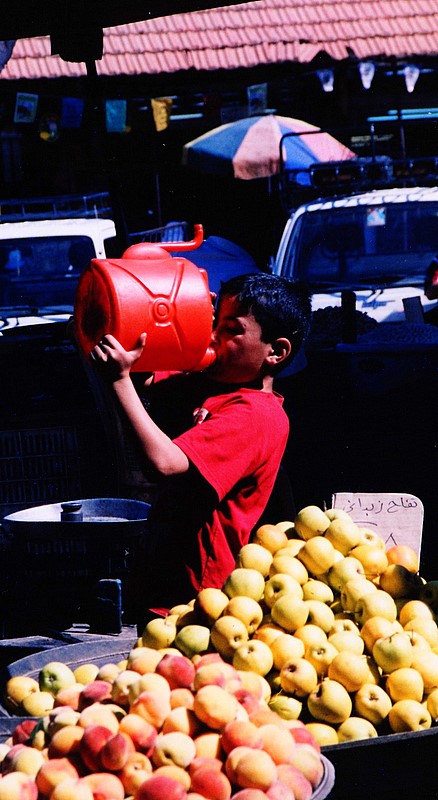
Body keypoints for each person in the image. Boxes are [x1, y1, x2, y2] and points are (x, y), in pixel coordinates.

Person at [89, 273, 311, 622]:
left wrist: (117, 380)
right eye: (214, 324)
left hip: (196, 602)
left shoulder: (255, 415)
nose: (213, 338)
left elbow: (162, 463)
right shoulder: (211, 384)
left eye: (231, 330)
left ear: (276, 352)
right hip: (162, 582)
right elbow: (145, 373)